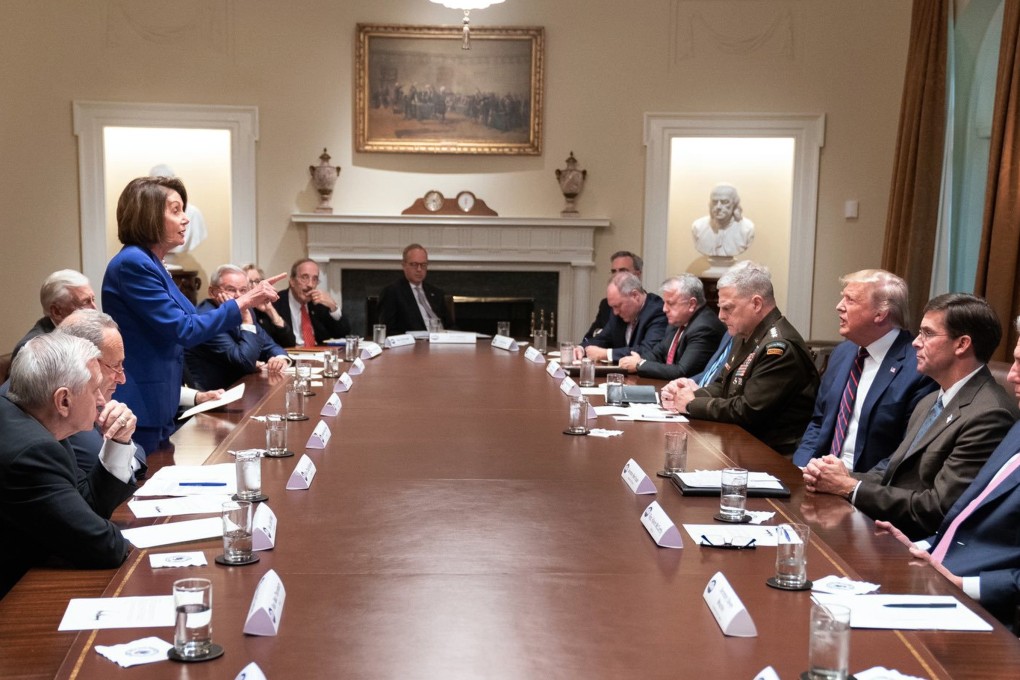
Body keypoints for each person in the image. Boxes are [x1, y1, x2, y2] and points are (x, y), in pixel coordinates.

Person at [804, 294, 1019, 539]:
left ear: (962, 344)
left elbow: (939, 507)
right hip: (888, 528)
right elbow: (893, 470)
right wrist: (839, 476)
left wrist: (849, 487)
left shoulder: (990, 414)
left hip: (920, 544)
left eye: (927, 334)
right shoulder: (931, 399)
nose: (916, 342)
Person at [102, 176, 284, 454]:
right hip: (140, 402)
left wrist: (194, 396)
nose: (186, 219)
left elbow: (191, 322)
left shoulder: (152, 263)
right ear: (149, 216)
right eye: (176, 210)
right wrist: (245, 301)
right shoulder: (133, 263)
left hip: (161, 402)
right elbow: (184, 329)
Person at [874, 320, 1020, 630]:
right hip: (937, 569)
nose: (1011, 375)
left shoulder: (995, 412)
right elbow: (970, 515)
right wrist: (923, 547)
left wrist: (963, 585)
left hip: (987, 608)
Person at [0, 333, 136, 597]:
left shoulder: (38, 422)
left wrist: (119, 442)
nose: (102, 399)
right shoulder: (32, 451)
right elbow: (103, 547)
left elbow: (87, 505)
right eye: (94, 388)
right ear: (63, 401)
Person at [661, 262, 818, 455]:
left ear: (756, 303)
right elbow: (723, 385)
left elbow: (748, 410)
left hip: (771, 453)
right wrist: (690, 394)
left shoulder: (778, 348)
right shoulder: (745, 334)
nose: (720, 316)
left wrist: (691, 404)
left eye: (728, 308)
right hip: (741, 441)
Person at [793, 270, 937, 472]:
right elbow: (818, 422)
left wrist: (851, 485)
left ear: (880, 314)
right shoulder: (843, 352)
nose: (839, 306)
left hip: (865, 488)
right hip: (817, 476)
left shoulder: (919, 368)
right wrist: (799, 469)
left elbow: (906, 451)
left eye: (850, 300)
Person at [186, 265, 290, 390]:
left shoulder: (247, 310)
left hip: (239, 389)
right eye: (231, 289)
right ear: (212, 292)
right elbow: (244, 362)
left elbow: (269, 345)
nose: (238, 296)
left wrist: (280, 359)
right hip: (213, 396)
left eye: (243, 290)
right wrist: (245, 317)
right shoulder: (207, 318)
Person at [617, 274, 725, 380]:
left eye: (670, 303)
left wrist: (639, 364)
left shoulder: (704, 328)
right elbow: (657, 353)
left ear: (692, 304)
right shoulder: (678, 322)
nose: (664, 309)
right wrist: (635, 360)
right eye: (664, 303)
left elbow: (682, 371)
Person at [576, 272, 668, 363]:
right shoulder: (618, 314)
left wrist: (606, 354)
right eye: (613, 307)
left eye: (618, 306)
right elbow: (602, 339)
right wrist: (582, 348)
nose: (615, 312)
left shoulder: (657, 311)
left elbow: (648, 351)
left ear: (635, 295)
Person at [11, 269, 97, 361]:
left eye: (93, 300)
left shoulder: (85, 333)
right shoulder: (33, 351)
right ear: (56, 312)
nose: (95, 308)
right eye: (85, 302)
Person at [273, 258, 351, 346]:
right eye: (305, 277)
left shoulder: (319, 304)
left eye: (315, 279)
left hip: (317, 355)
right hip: (288, 355)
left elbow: (343, 333)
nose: (310, 284)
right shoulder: (276, 303)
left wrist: (333, 307)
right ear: (292, 281)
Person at [376, 244, 451, 335]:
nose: (419, 269)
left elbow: (450, 325)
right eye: (414, 264)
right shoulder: (392, 292)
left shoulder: (436, 292)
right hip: (414, 345)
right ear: (404, 265)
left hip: (443, 342)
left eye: (423, 265)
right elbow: (388, 331)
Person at [582, 251, 642, 343]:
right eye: (614, 271)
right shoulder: (606, 305)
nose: (616, 275)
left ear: (637, 275)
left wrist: (607, 352)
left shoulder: (650, 307)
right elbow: (592, 336)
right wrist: (581, 348)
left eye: (623, 271)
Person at [691, 184, 755, 258]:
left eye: (725, 202)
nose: (718, 207)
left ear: (735, 204)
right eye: (714, 202)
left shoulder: (747, 228)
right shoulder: (698, 227)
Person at [242, 263, 295, 347]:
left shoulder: (267, 308)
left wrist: (270, 310)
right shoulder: (240, 311)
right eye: (249, 282)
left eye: (258, 281)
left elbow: (290, 343)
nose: (255, 286)